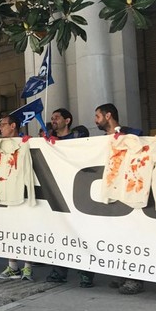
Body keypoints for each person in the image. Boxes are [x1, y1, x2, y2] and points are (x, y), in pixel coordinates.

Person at [94, 103, 145, 295]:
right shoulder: (99, 142)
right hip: (111, 191)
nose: (95, 120)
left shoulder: (131, 133)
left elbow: (141, 144)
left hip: (129, 190)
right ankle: (122, 272)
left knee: (132, 235)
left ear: (108, 116)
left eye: (97, 116)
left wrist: (122, 137)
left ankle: (135, 278)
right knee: (116, 235)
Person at [45, 109, 94, 287]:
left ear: (67, 120)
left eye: (57, 117)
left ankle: (86, 273)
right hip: (57, 192)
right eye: (52, 118)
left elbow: (84, 137)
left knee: (82, 233)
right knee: (59, 233)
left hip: (78, 192)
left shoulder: (77, 137)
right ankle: (59, 271)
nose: (53, 120)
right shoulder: (48, 141)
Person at [0, 115, 34, 281]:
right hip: (6, 194)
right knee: (10, 229)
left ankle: (28, 267)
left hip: (22, 193)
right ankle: (13, 266)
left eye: (2, 124)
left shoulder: (27, 142)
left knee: (26, 230)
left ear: (13, 125)